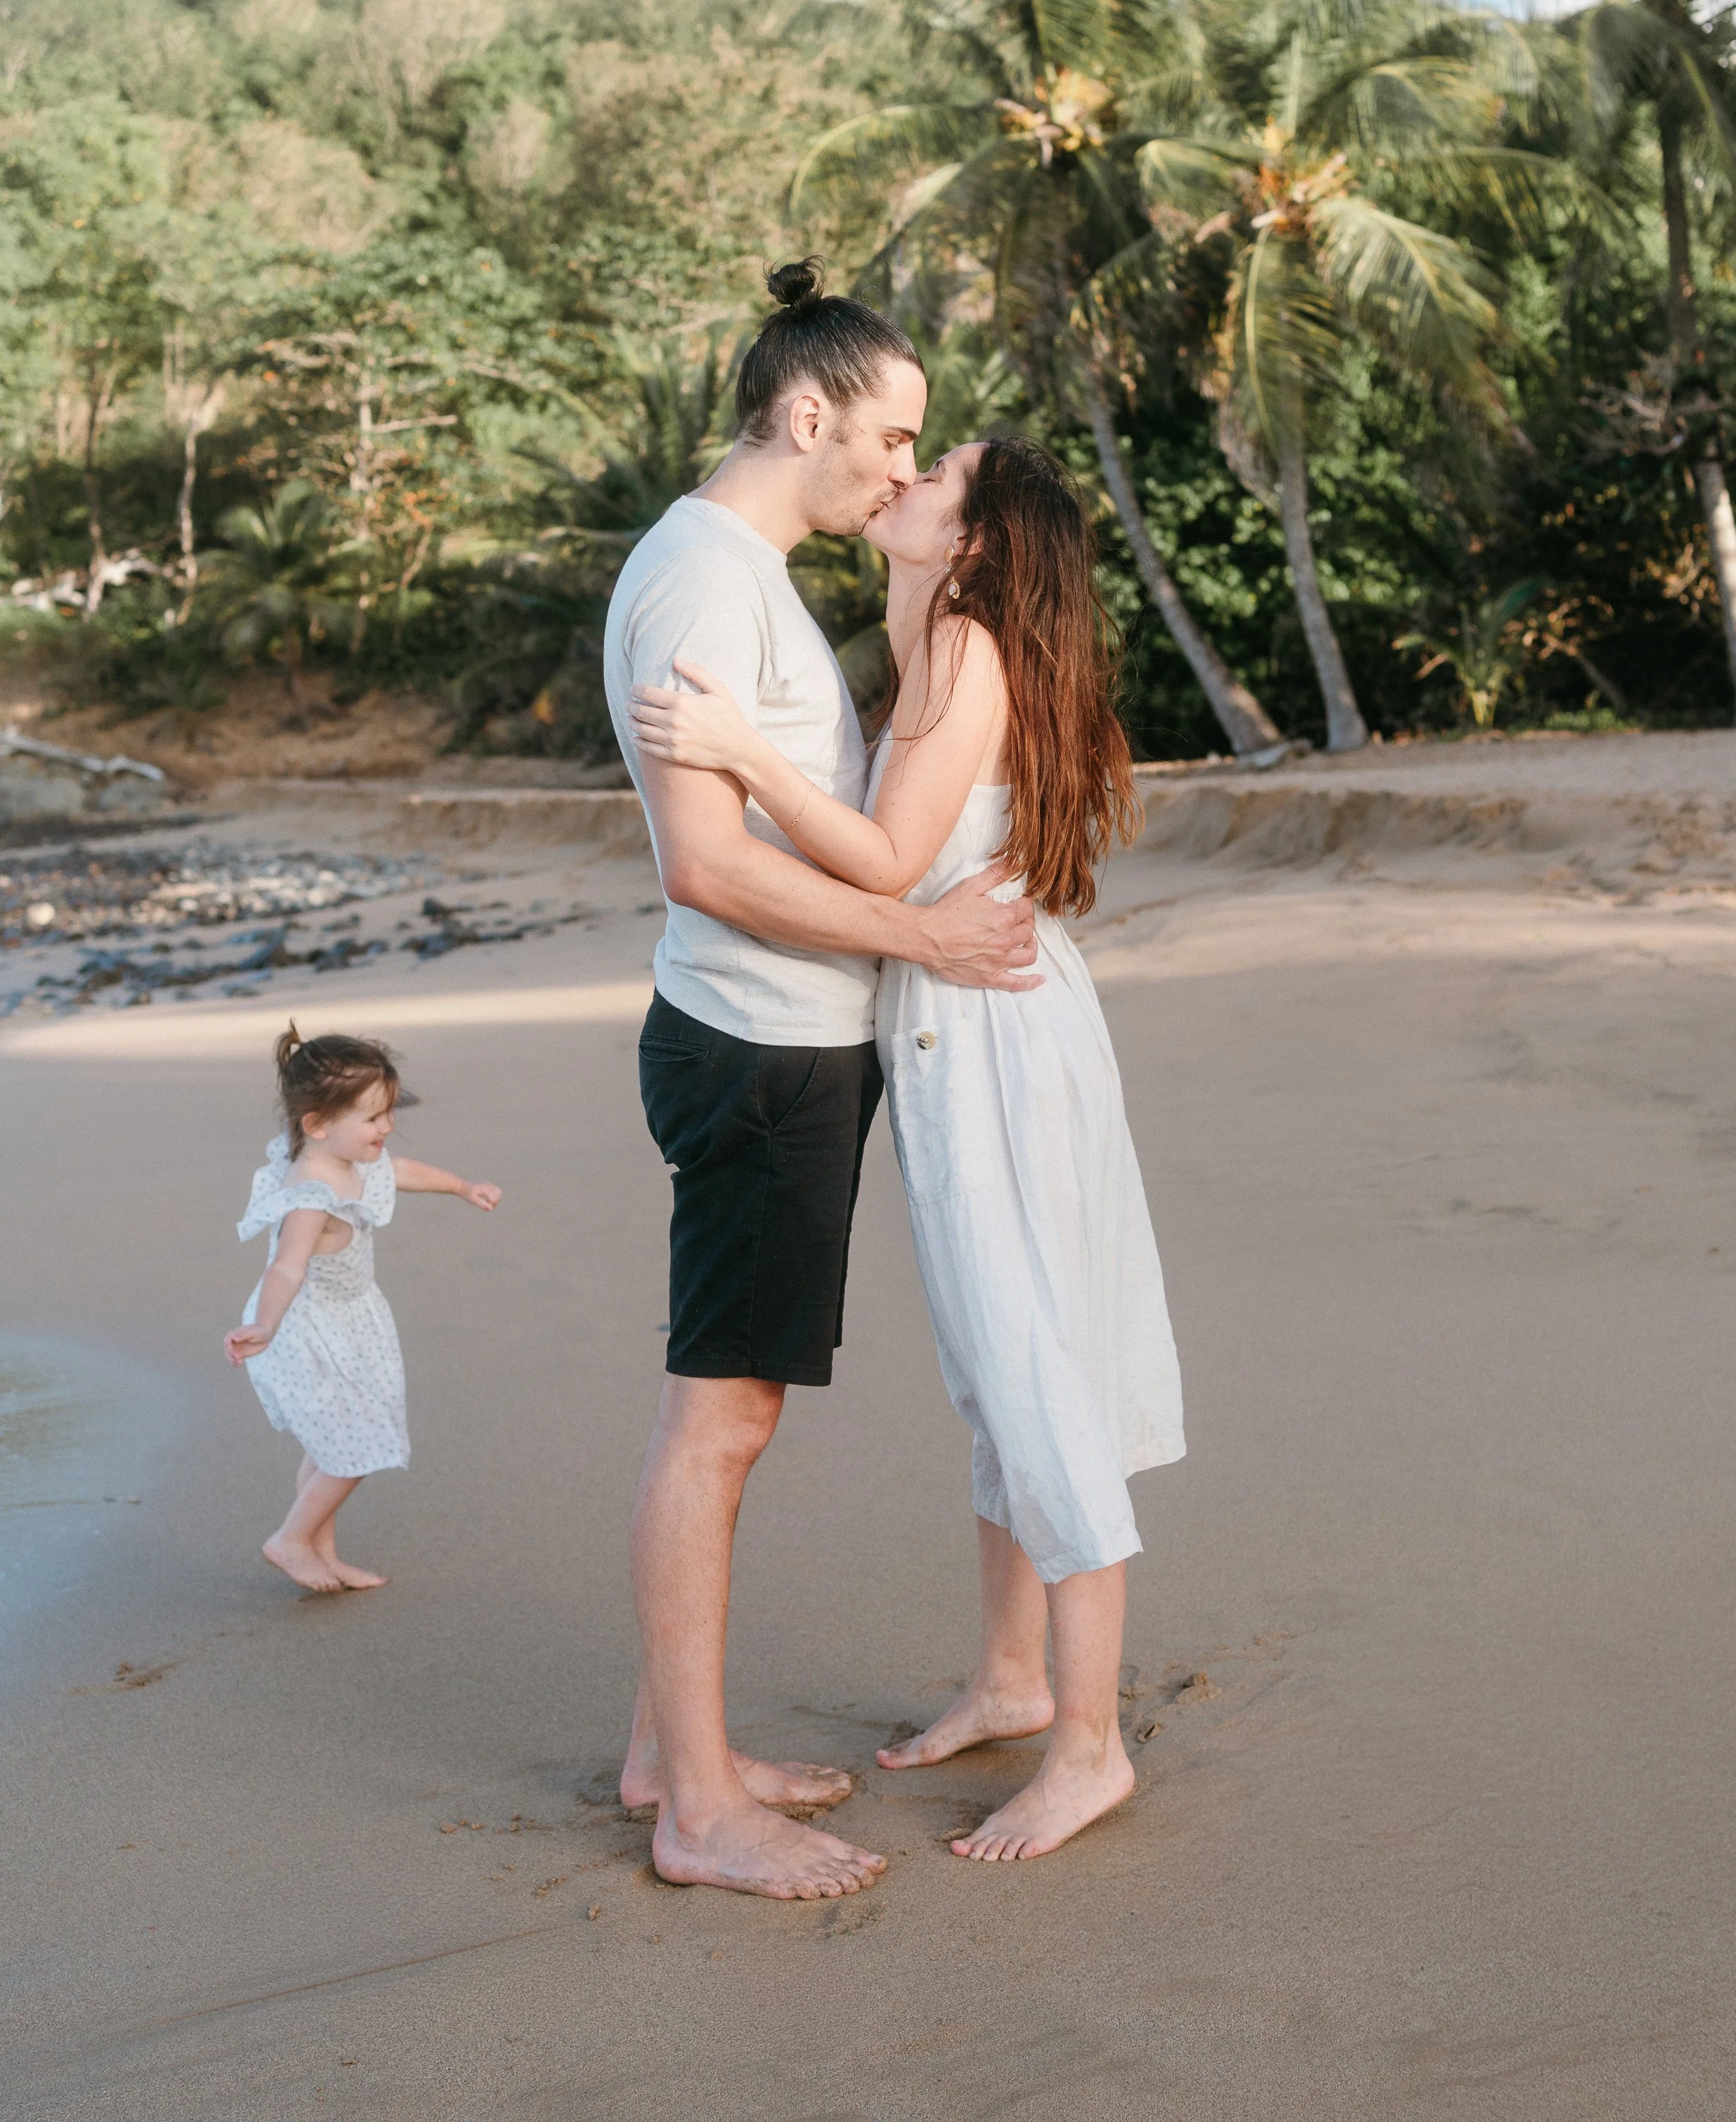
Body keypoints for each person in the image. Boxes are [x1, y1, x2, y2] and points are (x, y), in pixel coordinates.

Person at [631, 434, 1184, 1862]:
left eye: (936, 468)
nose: (906, 473)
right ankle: (1012, 1676)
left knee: (1033, 1359)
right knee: (996, 1362)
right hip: (974, 1027)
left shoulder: (961, 653)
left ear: (978, 538)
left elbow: (882, 863)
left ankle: (1088, 1740)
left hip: (988, 1036)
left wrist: (745, 755)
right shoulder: (931, 638)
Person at [602, 260, 1040, 1903]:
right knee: (719, 1420)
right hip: (759, 1051)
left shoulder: (732, 567)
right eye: (895, 434)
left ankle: (673, 1752)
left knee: (725, 1408)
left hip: (775, 1045)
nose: (903, 467)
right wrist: (913, 935)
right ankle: (699, 1808)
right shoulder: (711, 582)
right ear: (810, 414)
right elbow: (703, 864)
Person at [225, 1024, 502, 1594]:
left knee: (332, 1445)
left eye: (389, 1112)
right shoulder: (312, 1194)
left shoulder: (348, 1156)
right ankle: (291, 1540)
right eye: (374, 1118)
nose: (388, 1127)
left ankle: (323, 1553)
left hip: (351, 1320)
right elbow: (285, 1267)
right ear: (318, 1124)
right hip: (309, 1328)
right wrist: (266, 1325)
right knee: (354, 1449)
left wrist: (460, 1186)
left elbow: (400, 1171)